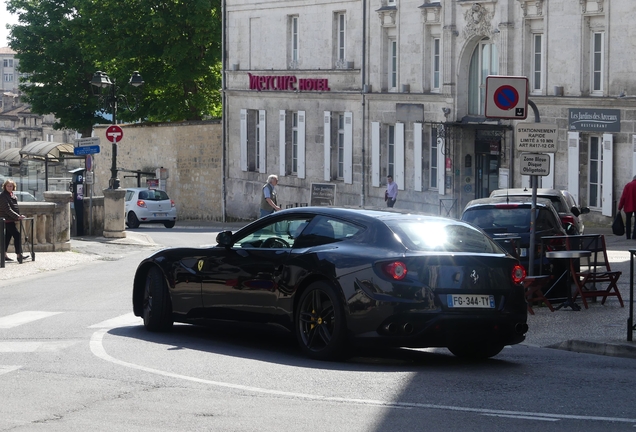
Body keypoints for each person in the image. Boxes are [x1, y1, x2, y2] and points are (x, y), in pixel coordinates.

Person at [0, 179, 27, 263]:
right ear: (5, 187)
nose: (9, 187)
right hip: (5, 219)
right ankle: (19, 255)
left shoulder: (11, 195)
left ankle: (3, 255)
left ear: (13, 187)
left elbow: (14, 207)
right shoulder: (3, 196)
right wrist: (18, 216)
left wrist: (17, 216)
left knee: (8, 237)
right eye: (8, 186)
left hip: (10, 219)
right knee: (17, 235)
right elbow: (7, 209)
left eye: (11, 186)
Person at [618, 175, 636, 239]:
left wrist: (620, 207)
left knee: (628, 221)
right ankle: (634, 236)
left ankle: (628, 236)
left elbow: (623, 197)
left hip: (628, 205)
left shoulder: (628, 185)